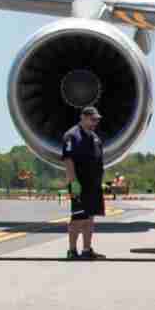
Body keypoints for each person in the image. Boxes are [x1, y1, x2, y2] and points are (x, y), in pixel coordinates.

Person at [60, 104, 105, 260]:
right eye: (92, 119)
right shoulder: (71, 136)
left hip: (94, 185)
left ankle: (87, 250)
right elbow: (68, 160)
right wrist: (73, 182)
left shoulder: (95, 137)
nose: (95, 123)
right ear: (84, 117)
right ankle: (72, 250)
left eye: (96, 120)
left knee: (90, 218)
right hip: (79, 184)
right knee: (78, 218)